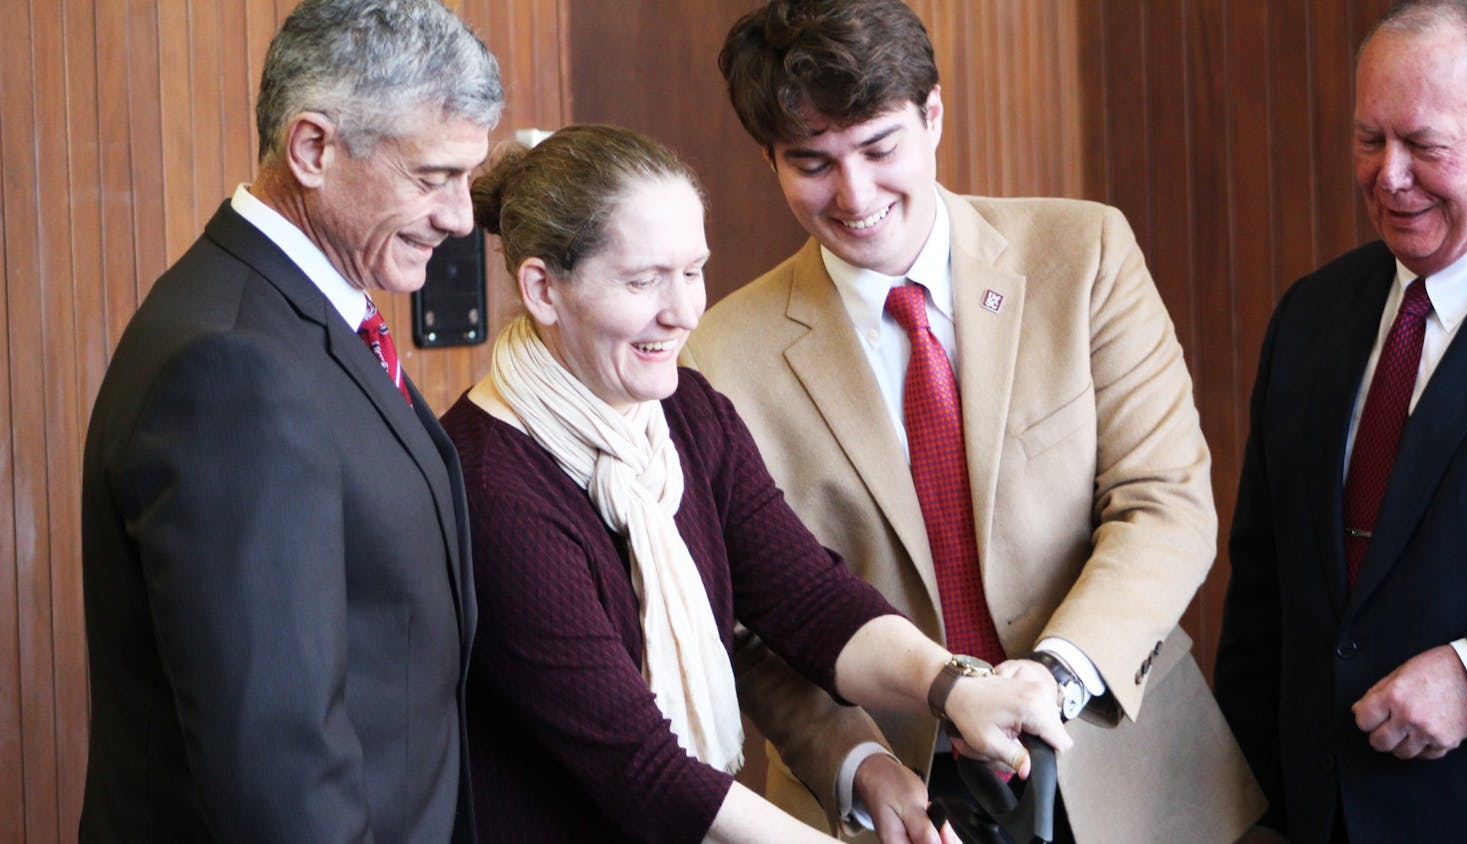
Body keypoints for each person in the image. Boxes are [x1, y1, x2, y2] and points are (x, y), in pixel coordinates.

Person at [680, 2, 1266, 842]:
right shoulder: (718, 357)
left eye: (880, 149)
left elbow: (1166, 502)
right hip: (890, 796)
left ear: (934, 116)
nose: (855, 195)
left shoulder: (1085, 254)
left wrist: (1052, 679)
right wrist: (860, 766)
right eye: (813, 163)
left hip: (1123, 763)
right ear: (770, 159)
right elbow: (744, 629)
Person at [442, 123, 1071, 844]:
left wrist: (955, 687)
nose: (681, 311)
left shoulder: (685, 409)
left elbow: (809, 600)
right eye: (643, 280)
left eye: (692, 270)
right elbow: (642, 773)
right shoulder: (492, 488)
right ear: (542, 289)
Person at [77, 1, 501, 840]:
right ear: (313, 148)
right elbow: (279, 767)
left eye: (468, 180)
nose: (459, 218)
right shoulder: (233, 368)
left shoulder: (297, 314)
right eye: (432, 178)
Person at [1214, 1, 1467, 840]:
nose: (1390, 175)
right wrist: (1246, 806)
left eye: (1425, 145)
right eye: (1370, 139)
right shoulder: (1312, 314)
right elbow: (1262, 594)